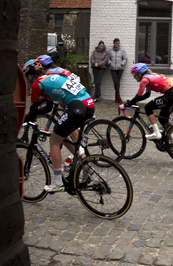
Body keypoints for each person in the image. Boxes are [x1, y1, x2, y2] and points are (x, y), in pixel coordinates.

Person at [22, 60, 95, 193]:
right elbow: (48, 107)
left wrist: (23, 120)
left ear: (29, 76)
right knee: (63, 135)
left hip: (77, 107)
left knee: (54, 141)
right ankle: (85, 165)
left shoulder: (37, 85)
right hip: (88, 105)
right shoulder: (50, 76)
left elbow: (33, 111)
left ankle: (57, 183)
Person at [121, 63, 173, 140]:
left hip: (170, 96)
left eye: (134, 75)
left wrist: (125, 105)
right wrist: (133, 102)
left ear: (139, 74)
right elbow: (147, 95)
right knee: (162, 119)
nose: (134, 77)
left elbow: (137, 96)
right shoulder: (150, 77)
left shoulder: (144, 80)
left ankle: (156, 133)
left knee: (148, 107)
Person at [108, 38, 128, 103]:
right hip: (113, 68)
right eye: (116, 43)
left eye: (118, 43)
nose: (117, 44)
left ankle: (117, 97)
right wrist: (110, 63)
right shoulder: (110, 51)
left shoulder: (122, 51)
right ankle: (118, 96)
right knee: (115, 82)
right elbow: (108, 58)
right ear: (114, 43)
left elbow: (125, 59)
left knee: (118, 82)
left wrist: (122, 64)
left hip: (120, 69)